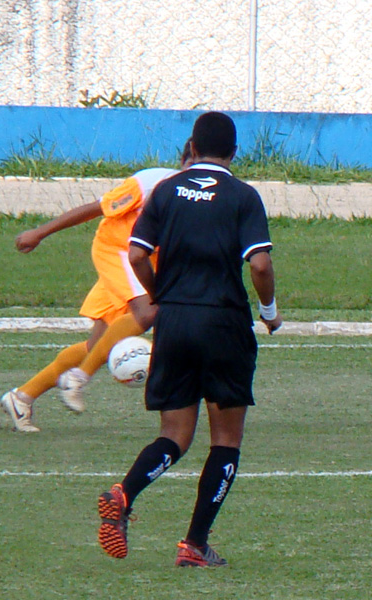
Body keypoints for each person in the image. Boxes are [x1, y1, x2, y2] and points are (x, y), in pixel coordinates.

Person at [97, 112, 282, 567]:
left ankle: (125, 492)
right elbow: (259, 264)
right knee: (226, 440)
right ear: (234, 153)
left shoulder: (166, 190)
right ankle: (194, 544)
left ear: (193, 149)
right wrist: (269, 311)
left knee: (174, 435)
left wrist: (162, 295)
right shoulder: (243, 195)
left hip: (175, 324)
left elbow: (136, 255)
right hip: (223, 324)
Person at [0, 143, 193, 432]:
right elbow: (96, 208)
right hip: (119, 250)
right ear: (184, 160)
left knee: (98, 346)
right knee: (148, 312)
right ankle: (77, 379)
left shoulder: (208, 197)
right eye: (193, 164)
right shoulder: (149, 183)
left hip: (147, 260)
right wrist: (40, 232)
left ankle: (22, 397)